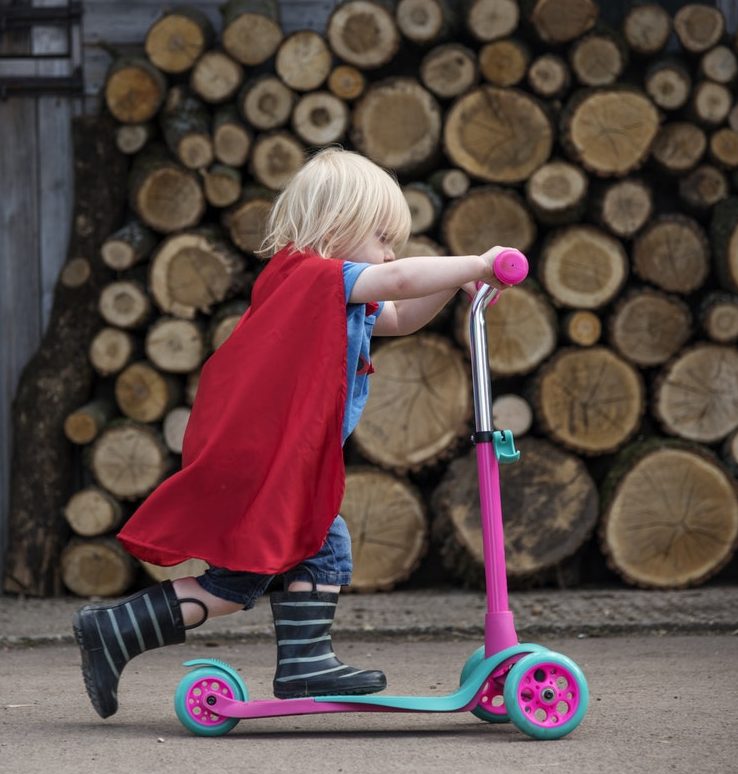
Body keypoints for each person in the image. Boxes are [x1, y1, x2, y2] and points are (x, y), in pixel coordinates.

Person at [73, 148, 511, 719]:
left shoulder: (328, 292)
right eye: (381, 235)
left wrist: (455, 288)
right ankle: (299, 660)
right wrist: (477, 264)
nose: (389, 251)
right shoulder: (313, 276)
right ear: (337, 226)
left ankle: (117, 629)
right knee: (311, 550)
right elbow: (399, 279)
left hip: (267, 463)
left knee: (245, 580)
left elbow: (399, 314)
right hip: (265, 464)